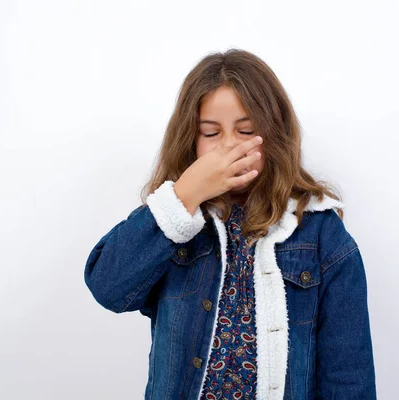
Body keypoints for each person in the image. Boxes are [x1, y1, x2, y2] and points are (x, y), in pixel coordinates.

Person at [84, 48, 377, 399]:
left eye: (246, 130)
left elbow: (348, 377)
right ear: (191, 141)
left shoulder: (321, 234)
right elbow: (108, 287)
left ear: (274, 133)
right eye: (211, 133)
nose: (229, 147)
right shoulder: (173, 221)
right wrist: (184, 195)